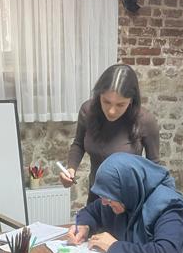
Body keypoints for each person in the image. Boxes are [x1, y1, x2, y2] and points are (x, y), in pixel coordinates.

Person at [65, 153, 183, 253]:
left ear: (128, 188)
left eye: (108, 197)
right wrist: (84, 226)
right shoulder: (118, 199)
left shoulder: (167, 206)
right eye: (102, 196)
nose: (104, 202)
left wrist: (114, 246)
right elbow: (90, 212)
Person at [60, 63, 160, 204]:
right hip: (96, 193)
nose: (112, 111)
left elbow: (154, 167)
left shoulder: (145, 121)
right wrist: (71, 169)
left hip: (127, 200)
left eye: (120, 105)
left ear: (131, 100)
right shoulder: (88, 111)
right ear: (99, 95)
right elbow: (79, 144)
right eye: (106, 102)